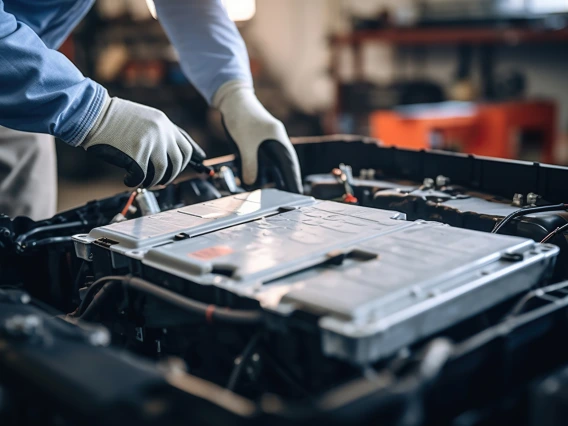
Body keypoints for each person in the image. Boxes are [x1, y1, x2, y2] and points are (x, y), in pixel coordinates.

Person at [0, 0, 302, 220]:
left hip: (26, 106)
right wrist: (90, 110)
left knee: (20, 264)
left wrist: (234, 92)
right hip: (24, 83)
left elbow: (189, 6)